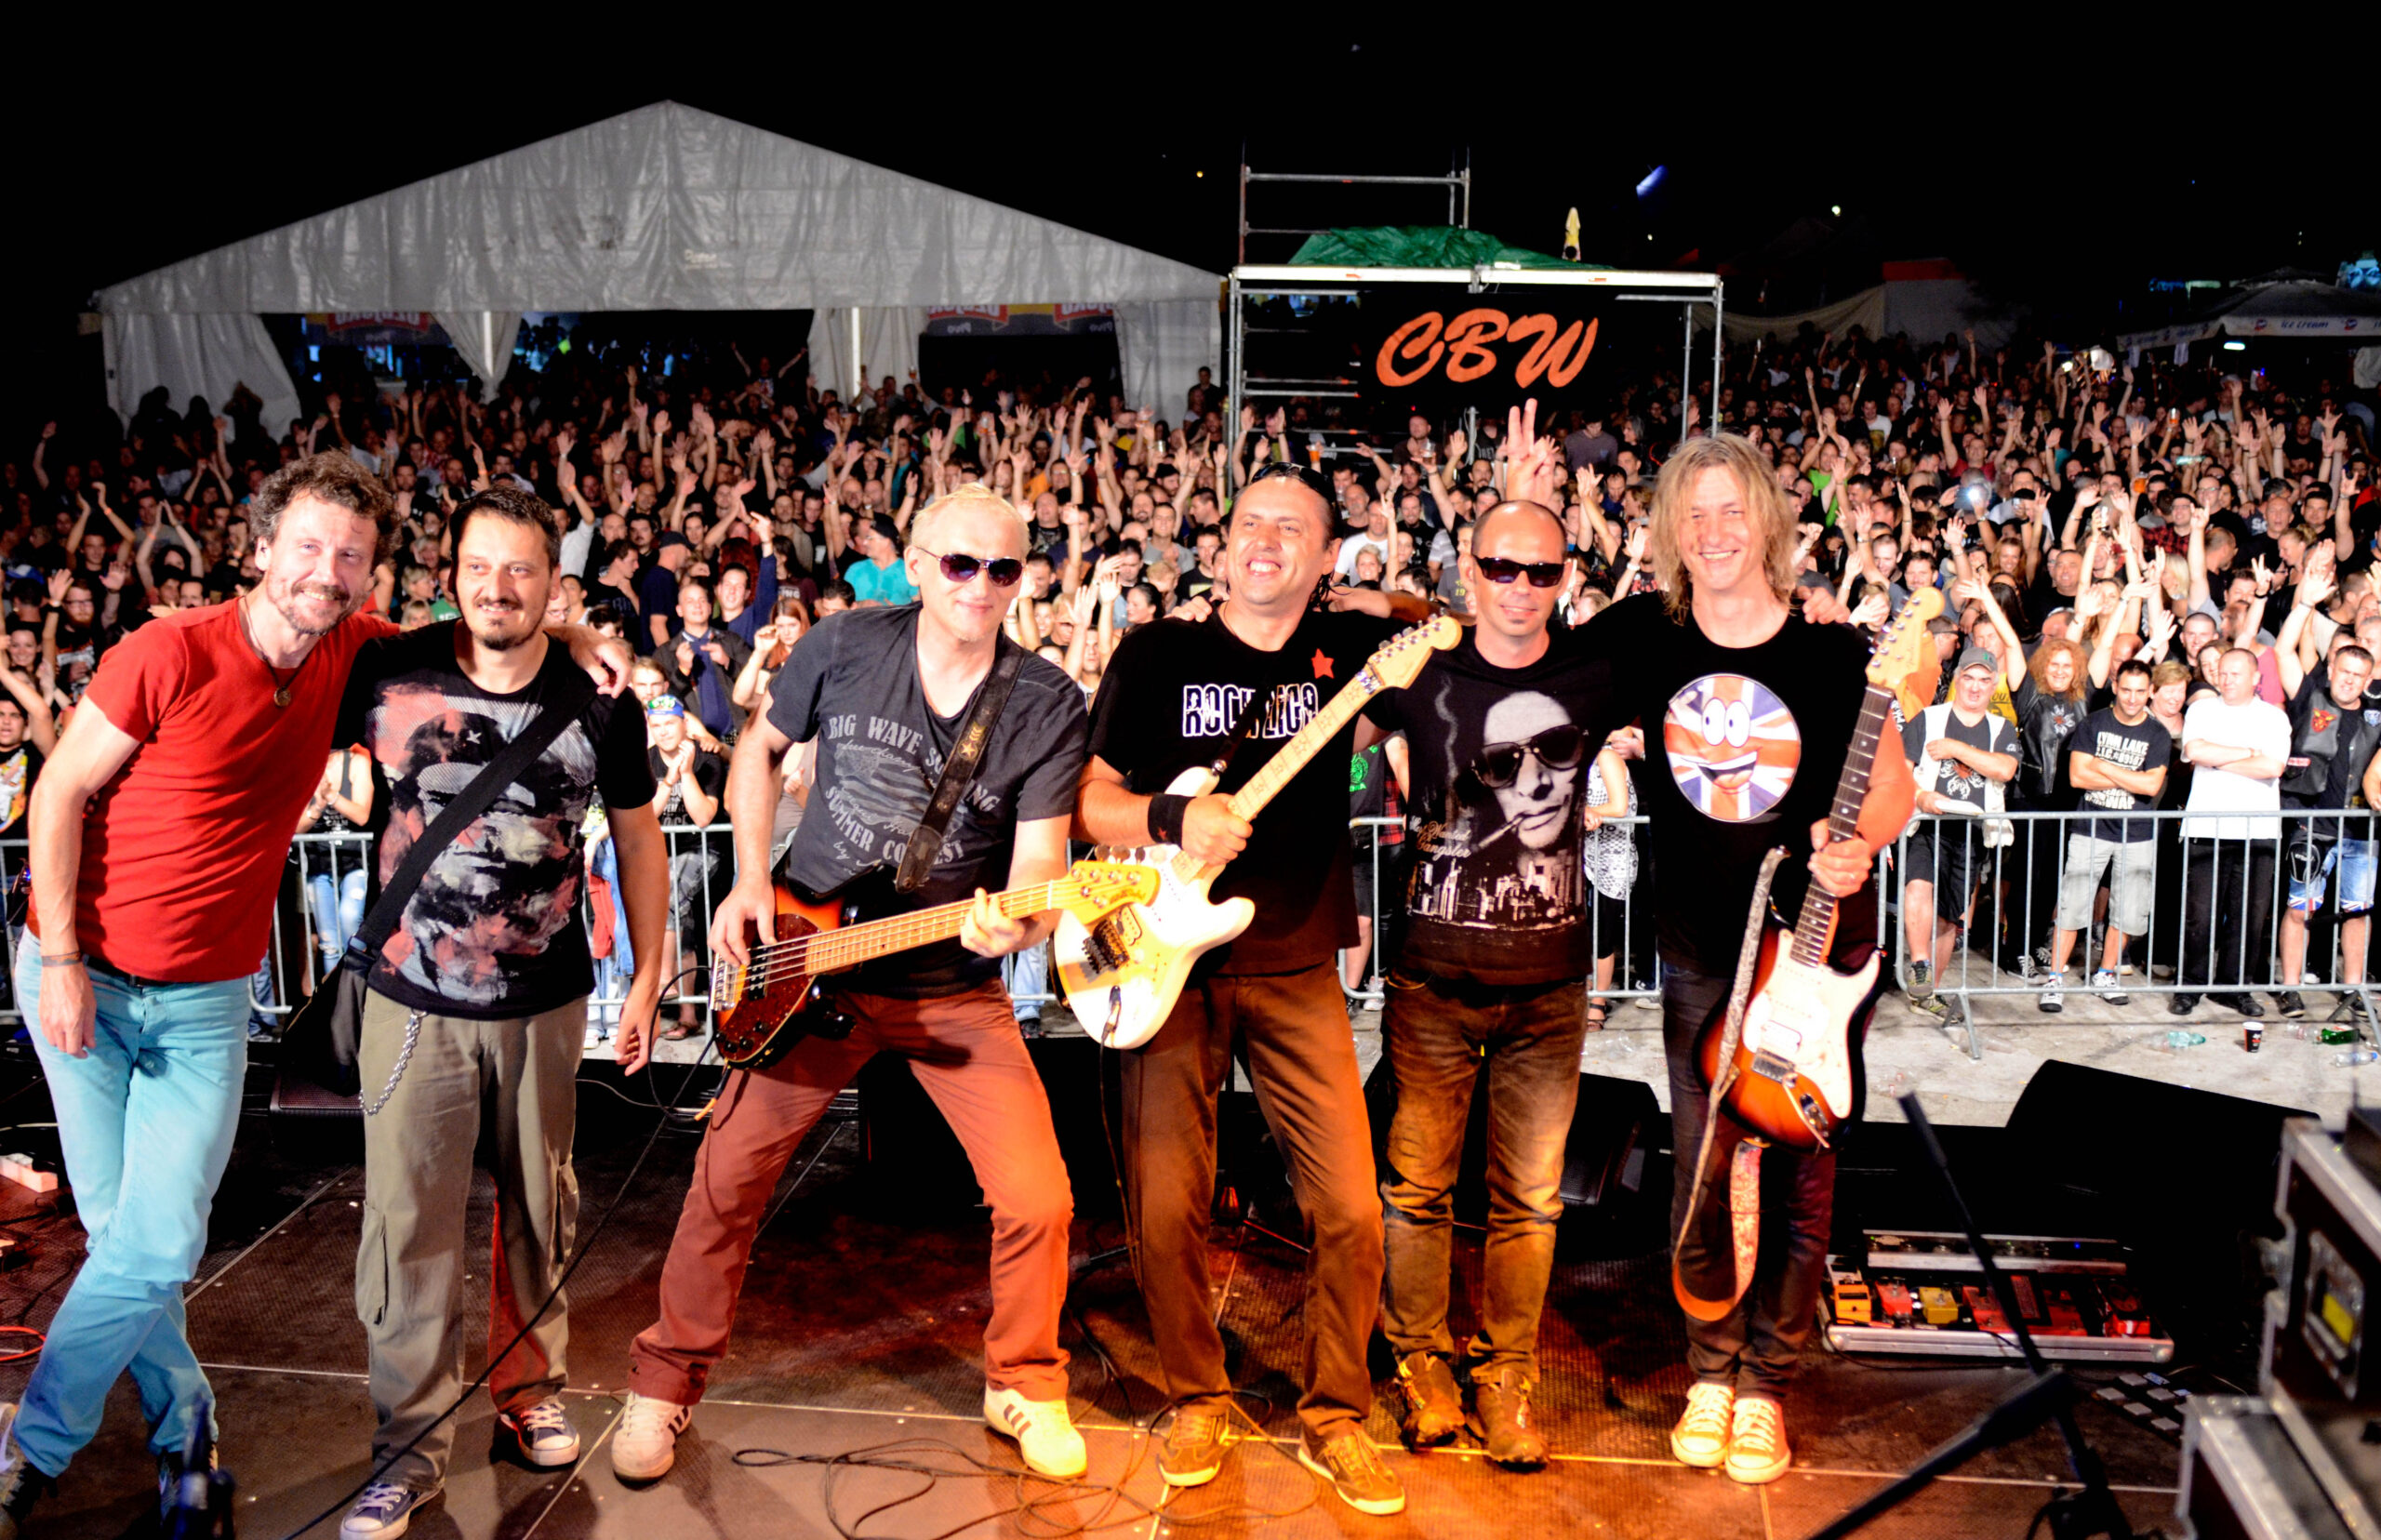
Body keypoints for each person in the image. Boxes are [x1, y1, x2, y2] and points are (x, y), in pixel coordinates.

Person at [619, 486, 1089, 1487]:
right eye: (959, 563)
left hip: (951, 984)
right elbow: (759, 751)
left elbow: (1041, 871)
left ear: (1023, 580)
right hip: (809, 958)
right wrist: (750, 879)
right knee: (725, 1181)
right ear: (915, 566)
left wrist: (1019, 921)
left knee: (1039, 1198)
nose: (980, 585)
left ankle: (1024, 1383)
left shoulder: (1046, 702)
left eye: (1003, 568)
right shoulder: (844, 644)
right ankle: (663, 1381)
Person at [0, 454, 404, 1534]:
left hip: (203, 1001)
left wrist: (579, 642)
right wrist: (63, 961)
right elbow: (60, 791)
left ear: (369, 576)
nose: (327, 570)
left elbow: (475, 643)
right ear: (261, 548)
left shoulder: (353, 651)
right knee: (128, 1239)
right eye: (308, 545)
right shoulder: (167, 649)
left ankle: (30, 1451)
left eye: (351, 555)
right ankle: (184, 1432)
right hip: (82, 974)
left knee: (154, 1241)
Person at [1074, 461, 1430, 1517]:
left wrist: (1375, 601)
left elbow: (1441, 626)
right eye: (1249, 523)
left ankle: (1336, 1414)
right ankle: (1198, 1394)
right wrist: (1174, 820)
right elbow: (1091, 801)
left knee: (1350, 1207)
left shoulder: (1347, 653)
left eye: (1292, 530)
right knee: (1167, 1206)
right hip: (1165, 963)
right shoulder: (1159, 652)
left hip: (1296, 961)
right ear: (1222, 541)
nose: (1263, 540)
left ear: (1324, 558)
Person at [331, 486, 668, 1540]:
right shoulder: (386, 670)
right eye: (478, 566)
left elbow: (640, 835)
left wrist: (650, 974)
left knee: (539, 1208)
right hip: (409, 999)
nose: (497, 587)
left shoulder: (600, 698)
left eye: (520, 569)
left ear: (553, 586)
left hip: (545, 1001)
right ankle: (408, 1451)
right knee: (408, 1225)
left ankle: (530, 1394)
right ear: (451, 576)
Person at [1588, 432, 1911, 1488]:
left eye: (1732, 510)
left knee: (1802, 1174)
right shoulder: (1646, 633)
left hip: (1814, 956)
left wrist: (1861, 844)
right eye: (1694, 513)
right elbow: (1527, 659)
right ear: (1668, 532)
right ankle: (1711, 1372)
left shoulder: (1830, 652)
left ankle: (1768, 1384)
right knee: (1703, 1166)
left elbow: (1893, 788)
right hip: (1698, 955)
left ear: (1767, 521)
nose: (1713, 531)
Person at [1369, 492, 1617, 1471]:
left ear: (1566, 578)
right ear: (1468, 571)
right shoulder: (1420, 667)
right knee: (1417, 1190)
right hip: (1430, 983)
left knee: (1531, 1200)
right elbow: (1325, 703)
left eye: (1541, 570)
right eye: (1501, 567)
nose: (1520, 586)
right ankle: (1420, 1363)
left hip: (1549, 989)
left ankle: (1505, 1374)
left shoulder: (1594, 672)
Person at [2271, 566, 2381, 1020]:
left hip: (2361, 831)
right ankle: (2290, 987)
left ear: (2369, 678)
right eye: (2344, 671)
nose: (2350, 680)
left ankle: (2353, 990)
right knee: (2301, 908)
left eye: (2359, 675)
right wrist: (2304, 604)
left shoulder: (2378, 712)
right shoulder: (2309, 697)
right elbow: (2282, 651)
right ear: (2331, 668)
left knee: (2357, 911)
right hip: (2312, 825)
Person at [1900, 649, 2018, 1020]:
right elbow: (1900, 772)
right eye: (1969, 677)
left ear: (1993, 685)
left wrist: (1955, 748)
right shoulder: (1929, 718)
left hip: (1971, 830)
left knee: (1950, 917)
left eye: (1984, 680)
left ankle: (1927, 993)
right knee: (1918, 886)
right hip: (1926, 823)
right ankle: (1920, 966)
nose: (1975, 687)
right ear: (1957, 680)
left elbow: (2005, 769)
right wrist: (1920, 796)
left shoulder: (2000, 728)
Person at [2046, 659, 2171, 1008]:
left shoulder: (2158, 733)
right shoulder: (2094, 723)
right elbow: (2078, 778)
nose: (2132, 698)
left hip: (2138, 832)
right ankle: (2055, 979)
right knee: (2072, 904)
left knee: (2127, 910)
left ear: (2151, 692)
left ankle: (2106, 973)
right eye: (2126, 690)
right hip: (2091, 827)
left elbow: (2151, 786)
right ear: (2115, 687)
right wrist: (2131, 776)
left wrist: (2102, 765)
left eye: (2140, 692)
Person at [2175, 648, 2291, 1015]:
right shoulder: (2201, 710)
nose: (2226, 680)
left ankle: (2234, 987)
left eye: (2235, 674)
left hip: (2258, 830)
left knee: (2249, 917)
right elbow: (2195, 750)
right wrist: (2248, 753)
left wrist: (2219, 759)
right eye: (2222, 673)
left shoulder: (2274, 717)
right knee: (2200, 914)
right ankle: (2190, 985)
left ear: (2256, 678)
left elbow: (2272, 767)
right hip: (2206, 826)